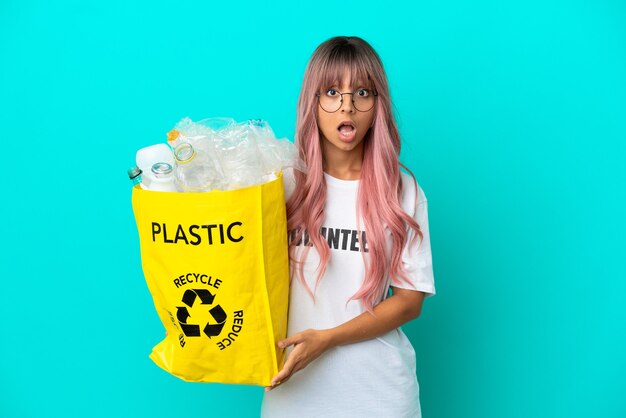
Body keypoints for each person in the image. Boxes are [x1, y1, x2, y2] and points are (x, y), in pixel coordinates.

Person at [261, 36, 436, 418]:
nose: (348, 106)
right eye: (331, 91)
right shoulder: (282, 185)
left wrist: (327, 339)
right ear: (313, 102)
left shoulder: (402, 191)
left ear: (378, 104)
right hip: (293, 390)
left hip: (380, 396)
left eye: (362, 92)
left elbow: (409, 302)